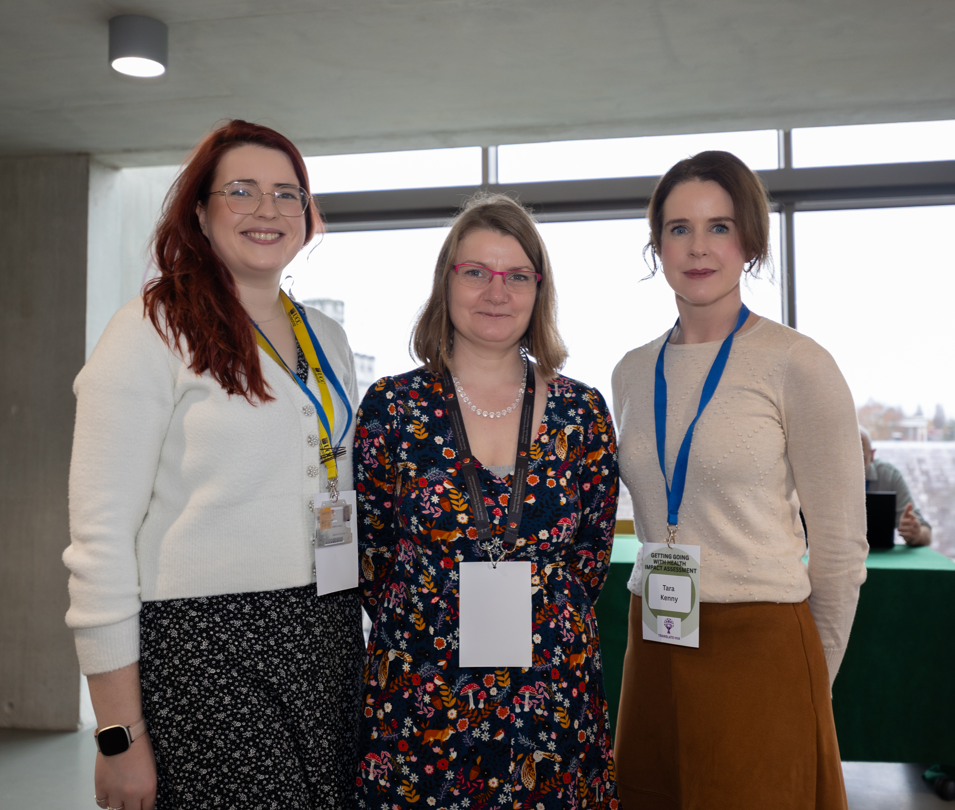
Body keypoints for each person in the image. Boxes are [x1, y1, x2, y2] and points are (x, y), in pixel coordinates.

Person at [63, 120, 363, 810]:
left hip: (327, 632)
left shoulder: (326, 335)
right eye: (242, 190)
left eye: (288, 193)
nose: (268, 210)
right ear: (200, 210)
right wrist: (117, 734)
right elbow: (100, 541)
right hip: (207, 648)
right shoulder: (151, 327)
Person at [611, 151, 868, 809]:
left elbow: (839, 552)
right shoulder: (631, 374)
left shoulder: (797, 365)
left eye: (719, 227)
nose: (698, 247)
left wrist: (809, 680)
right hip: (656, 635)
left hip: (761, 647)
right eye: (678, 228)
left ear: (749, 240)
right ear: (655, 243)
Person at [353, 193, 620, 810]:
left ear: (538, 288)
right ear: (446, 282)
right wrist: (439, 609)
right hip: (422, 692)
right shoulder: (393, 406)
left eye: (516, 276)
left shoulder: (581, 412)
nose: (496, 292)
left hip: (552, 693)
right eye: (476, 272)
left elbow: (590, 557)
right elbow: (372, 556)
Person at [861, 426, 932, 546]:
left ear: (872, 455)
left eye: (861, 459)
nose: (851, 467)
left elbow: (925, 533)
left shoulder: (889, 475)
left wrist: (915, 532)